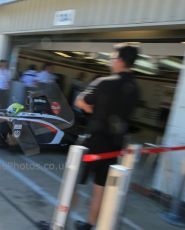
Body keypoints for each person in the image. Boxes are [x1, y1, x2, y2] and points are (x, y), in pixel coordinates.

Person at [74, 44, 140, 230]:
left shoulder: (104, 82)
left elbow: (80, 101)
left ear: (119, 61)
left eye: (112, 58)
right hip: (115, 144)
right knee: (100, 187)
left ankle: (60, 219)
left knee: (74, 181)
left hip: (93, 141)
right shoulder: (135, 89)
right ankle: (90, 225)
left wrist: (90, 109)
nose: (111, 62)